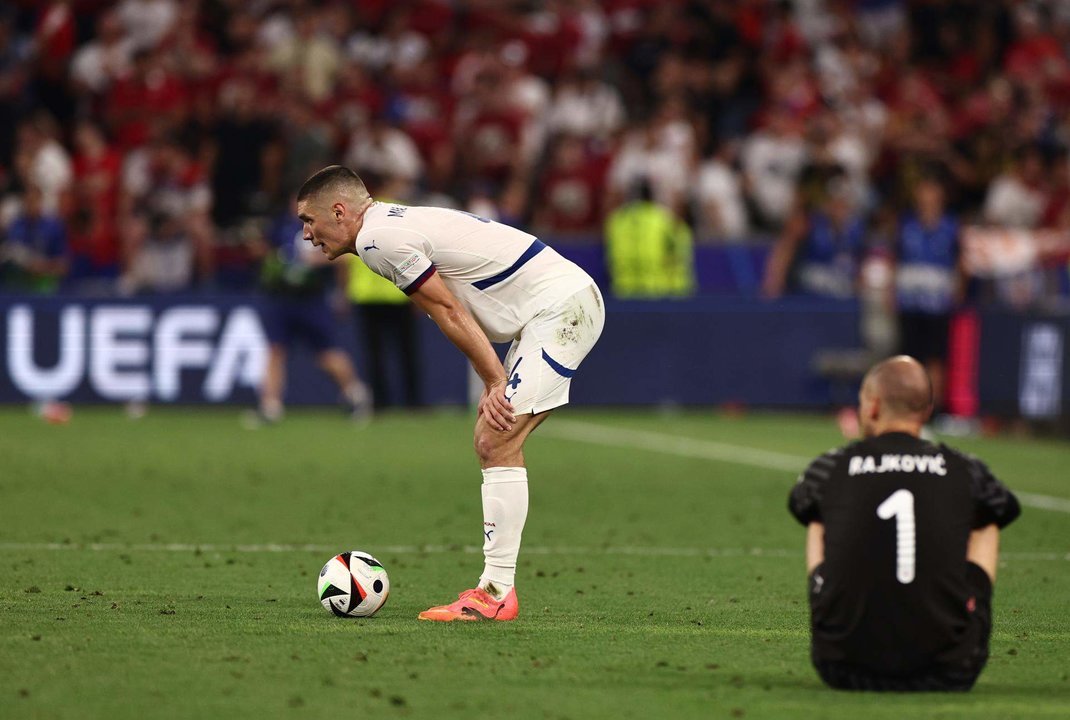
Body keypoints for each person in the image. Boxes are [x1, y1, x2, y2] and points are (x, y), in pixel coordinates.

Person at [296, 165, 604, 622]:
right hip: (549, 310)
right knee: (493, 438)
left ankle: (496, 594)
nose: (306, 234)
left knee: (495, 437)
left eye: (309, 220)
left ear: (339, 211)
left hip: (560, 309)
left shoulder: (378, 240)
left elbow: (447, 309)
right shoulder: (387, 225)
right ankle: (495, 589)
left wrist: (495, 380)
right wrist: (493, 377)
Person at [788, 356, 1020, 691]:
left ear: (873, 407)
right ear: (926, 411)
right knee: (985, 519)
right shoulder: (965, 469)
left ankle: (835, 621)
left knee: (818, 514)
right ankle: (960, 620)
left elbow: (800, 503)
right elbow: (1005, 507)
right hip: (951, 670)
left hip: (841, 665)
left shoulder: (830, 467)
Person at [250, 206, 372, 425]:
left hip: (311, 299)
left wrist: (339, 290)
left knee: (327, 354)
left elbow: (342, 258)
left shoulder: (324, 226)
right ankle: (270, 406)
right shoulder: (281, 226)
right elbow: (267, 251)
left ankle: (356, 395)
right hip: (282, 298)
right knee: (275, 351)